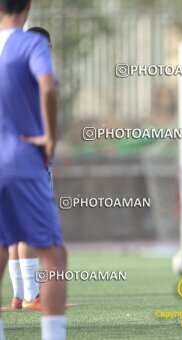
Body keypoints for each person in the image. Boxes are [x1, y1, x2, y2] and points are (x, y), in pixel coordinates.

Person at [0, 1, 67, 339]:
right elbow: (47, 85)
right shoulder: (30, 43)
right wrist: (49, 139)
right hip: (21, 159)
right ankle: (46, 323)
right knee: (53, 254)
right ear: (27, 7)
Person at [7, 26, 52, 312]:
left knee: (12, 232)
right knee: (29, 231)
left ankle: (19, 295)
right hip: (27, 163)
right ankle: (32, 296)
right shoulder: (34, 82)